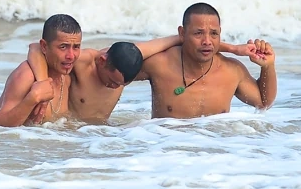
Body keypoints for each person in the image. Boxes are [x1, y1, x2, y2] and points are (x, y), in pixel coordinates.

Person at [23, 34, 254, 124]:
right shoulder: (86, 61)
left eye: (120, 85)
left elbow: (181, 39)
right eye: (112, 82)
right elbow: (36, 47)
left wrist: (234, 49)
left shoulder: (132, 55)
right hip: (66, 132)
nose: (114, 87)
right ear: (103, 62)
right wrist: (42, 88)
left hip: (96, 138)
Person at [140, 2, 276, 119]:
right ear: (182, 33)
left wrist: (267, 66)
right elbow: (119, 70)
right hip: (167, 146)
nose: (207, 41)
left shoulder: (232, 71)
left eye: (214, 34)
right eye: (198, 33)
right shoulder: (160, 64)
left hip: (214, 146)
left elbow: (264, 102)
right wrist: (118, 136)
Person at [0, 13, 82, 127]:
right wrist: (32, 98)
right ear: (44, 46)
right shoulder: (26, 76)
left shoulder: (66, 75)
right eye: (63, 47)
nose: (71, 56)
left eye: (76, 47)